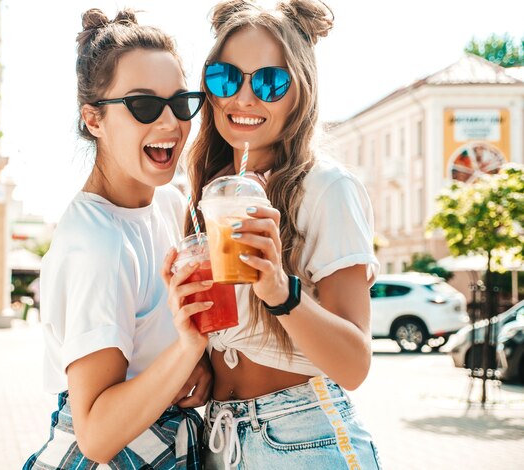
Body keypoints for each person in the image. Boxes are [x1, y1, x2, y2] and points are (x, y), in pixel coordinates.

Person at [185, 0, 383, 468]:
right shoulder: (205, 191)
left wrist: (280, 291)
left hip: (305, 437)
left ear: (301, 91)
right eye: (225, 78)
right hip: (219, 439)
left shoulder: (326, 188)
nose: (245, 98)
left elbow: (354, 366)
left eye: (271, 82)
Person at [24, 8, 213, 469]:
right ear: (93, 119)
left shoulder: (171, 203)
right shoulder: (97, 245)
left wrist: (193, 369)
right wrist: (190, 350)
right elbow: (96, 434)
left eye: (181, 102)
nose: (170, 123)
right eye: (144, 105)